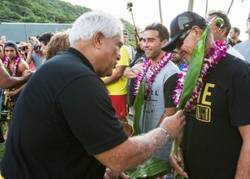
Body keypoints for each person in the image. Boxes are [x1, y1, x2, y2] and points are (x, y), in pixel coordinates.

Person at [1, 11, 185, 179]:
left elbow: (64, 136)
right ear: (98, 40)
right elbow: (120, 157)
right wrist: (165, 131)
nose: (119, 56)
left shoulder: (62, 66)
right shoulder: (80, 79)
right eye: (118, 46)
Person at [163, 11, 250, 179]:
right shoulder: (188, 74)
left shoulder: (238, 71)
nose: (178, 52)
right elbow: (187, 120)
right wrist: (177, 149)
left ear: (196, 32)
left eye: (179, 43)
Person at [131, 22, 180, 178]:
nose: (145, 45)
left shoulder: (171, 72)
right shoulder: (145, 67)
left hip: (158, 145)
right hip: (143, 140)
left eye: (151, 40)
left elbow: (170, 113)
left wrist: (152, 140)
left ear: (164, 42)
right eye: (143, 40)